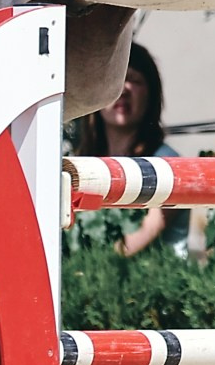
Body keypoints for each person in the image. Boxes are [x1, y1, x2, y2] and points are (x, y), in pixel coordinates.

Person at [70, 44, 203, 258]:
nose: (123, 90)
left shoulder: (167, 164)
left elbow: (133, 243)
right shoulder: (85, 163)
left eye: (134, 80)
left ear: (151, 94)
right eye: (114, 82)